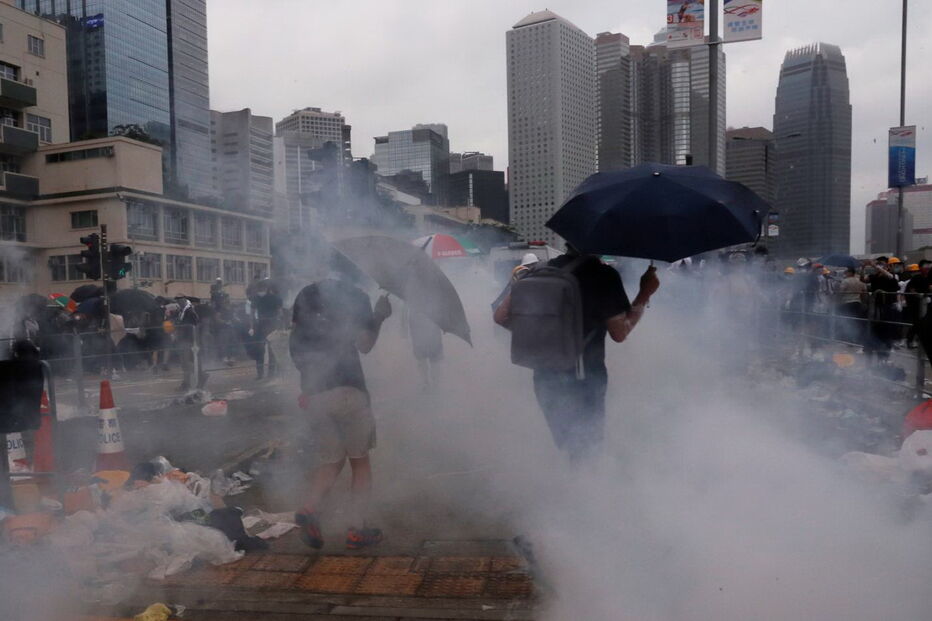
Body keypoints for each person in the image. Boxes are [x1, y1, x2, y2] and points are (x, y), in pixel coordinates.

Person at [493, 247, 660, 462]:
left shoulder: (540, 270)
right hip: (584, 378)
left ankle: (558, 486)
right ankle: (581, 490)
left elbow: (500, 316)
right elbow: (620, 331)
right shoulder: (604, 276)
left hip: (543, 374)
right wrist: (645, 293)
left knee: (563, 444)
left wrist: (540, 331)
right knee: (585, 448)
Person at [290, 277, 392, 550]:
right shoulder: (342, 321)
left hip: (315, 401)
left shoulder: (297, 332)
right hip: (349, 395)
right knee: (360, 462)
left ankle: (310, 508)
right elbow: (365, 345)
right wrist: (379, 317)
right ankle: (356, 529)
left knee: (331, 461)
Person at [252, 286, 283, 380]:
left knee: (260, 351)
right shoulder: (277, 298)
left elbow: (252, 313)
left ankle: (260, 374)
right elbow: (280, 313)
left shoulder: (256, 298)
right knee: (272, 350)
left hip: (260, 327)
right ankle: (271, 374)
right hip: (272, 327)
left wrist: (252, 325)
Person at [836, 267, 867, 345]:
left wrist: (837, 301)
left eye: (846, 272)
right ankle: (857, 339)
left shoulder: (845, 281)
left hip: (847, 303)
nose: (845, 274)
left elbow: (841, 292)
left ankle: (849, 339)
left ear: (850, 273)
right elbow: (864, 291)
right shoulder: (859, 281)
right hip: (857, 303)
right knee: (856, 321)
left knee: (848, 321)